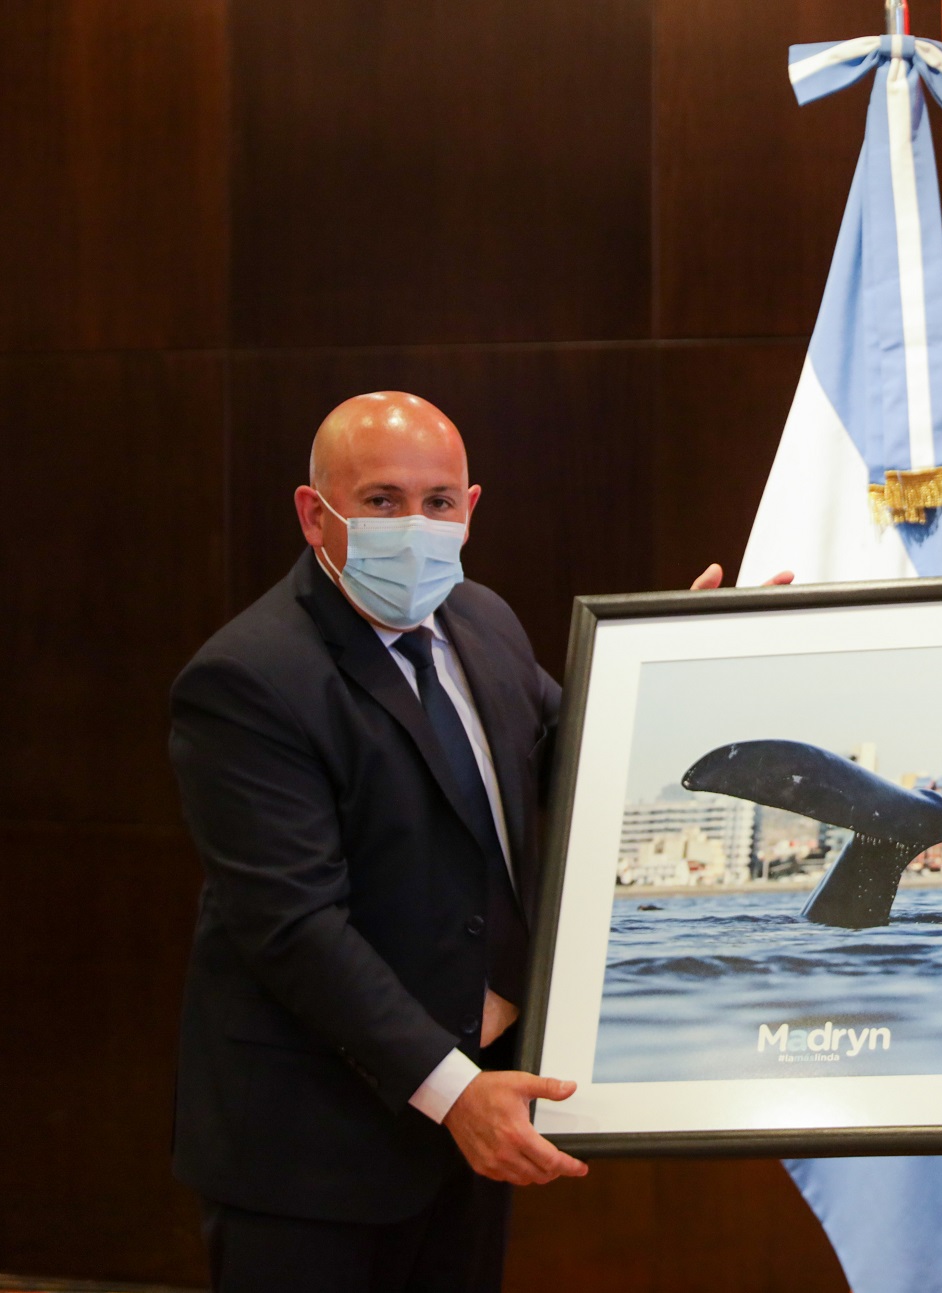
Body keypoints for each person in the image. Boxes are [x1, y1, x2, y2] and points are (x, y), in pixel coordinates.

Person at [169, 392, 782, 1292]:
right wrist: (455, 1090)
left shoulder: (481, 619)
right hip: (313, 1150)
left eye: (438, 502)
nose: (414, 526)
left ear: (471, 509)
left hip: (473, 1119)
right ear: (315, 513)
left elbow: (570, 774)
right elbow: (294, 928)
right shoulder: (247, 679)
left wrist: (680, 673)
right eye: (380, 500)